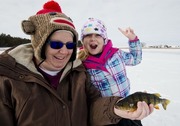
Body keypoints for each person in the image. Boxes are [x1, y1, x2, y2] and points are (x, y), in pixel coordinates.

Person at [0, 1, 153, 126]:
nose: (64, 51)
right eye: (56, 44)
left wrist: (116, 107)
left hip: (122, 107)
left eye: (70, 45)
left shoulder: (80, 71)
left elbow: (92, 105)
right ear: (40, 43)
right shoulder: (8, 80)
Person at [78, 18, 143, 125]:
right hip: (107, 115)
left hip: (128, 106)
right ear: (83, 41)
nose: (92, 39)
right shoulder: (82, 64)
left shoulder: (117, 54)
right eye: (88, 35)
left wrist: (133, 39)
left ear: (104, 39)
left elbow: (136, 59)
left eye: (97, 35)